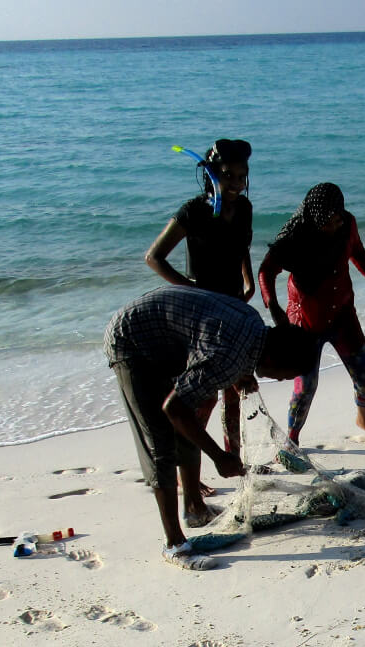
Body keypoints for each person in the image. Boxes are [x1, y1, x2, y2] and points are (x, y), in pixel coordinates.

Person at [103, 286, 319, 569]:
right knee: (161, 441)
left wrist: (239, 377)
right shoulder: (228, 360)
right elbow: (174, 408)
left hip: (163, 335)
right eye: (286, 375)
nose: (281, 381)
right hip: (131, 341)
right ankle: (175, 545)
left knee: (190, 416)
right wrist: (219, 456)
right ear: (275, 359)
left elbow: (210, 344)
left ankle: (194, 509)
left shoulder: (254, 325)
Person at [143, 139, 254, 520]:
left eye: (242, 176)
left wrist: (247, 278)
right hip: (201, 316)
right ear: (211, 174)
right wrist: (189, 289)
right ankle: (189, 476)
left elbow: (243, 247)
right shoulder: (193, 211)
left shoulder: (245, 208)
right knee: (198, 398)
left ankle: (234, 459)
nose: (237, 183)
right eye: (229, 176)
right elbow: (154, 257)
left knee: (237, 389)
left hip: (234, 307)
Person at [258, 182, 365, 446]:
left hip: (343, 313)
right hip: (304, 321)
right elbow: (265, 271)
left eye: (338, 217)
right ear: (316, 221)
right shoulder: (294, 237)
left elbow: (358, 252)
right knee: (305, 386)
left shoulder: (347, 223)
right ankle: (292, 440)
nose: (337, 224)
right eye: (330, 221)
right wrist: (273, 306)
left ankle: (363, 419)